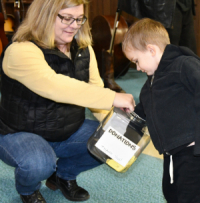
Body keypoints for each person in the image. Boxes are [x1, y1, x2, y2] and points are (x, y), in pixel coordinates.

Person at [0, 0, 136, 203]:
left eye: (79, 19)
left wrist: (117, 126)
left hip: (65, 129)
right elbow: (54, 85)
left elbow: (94, 92)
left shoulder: (83, 49)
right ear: (44, 15)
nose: (74, 25)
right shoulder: (20, 50)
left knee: (111, 142)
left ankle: (63, 176)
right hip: (20, 132)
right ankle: (28, 189)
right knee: (39, 163)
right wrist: (113, 97)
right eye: (66, 18)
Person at [122, 18, 200, 203]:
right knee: (171, 193)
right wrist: (130, 114)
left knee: (191, 196)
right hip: (171, 153)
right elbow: (146, 109)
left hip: (193, 153)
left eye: (137, 61)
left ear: (151, 50)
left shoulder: (184, 66)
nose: (137, 68)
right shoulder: (150, 83)